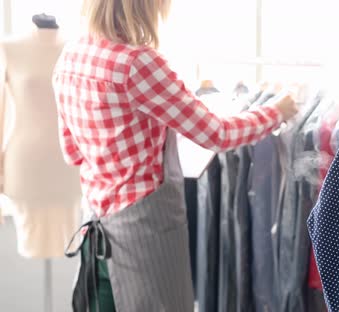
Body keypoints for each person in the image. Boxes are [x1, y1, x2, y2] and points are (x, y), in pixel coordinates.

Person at [52, 0, 298, 311]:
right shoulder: (138, 64)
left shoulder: (70, 57)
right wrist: (276, 113)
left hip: (97, 234)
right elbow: (217, 134)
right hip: (146, 236)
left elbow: (72, 153)